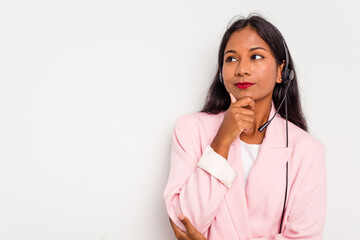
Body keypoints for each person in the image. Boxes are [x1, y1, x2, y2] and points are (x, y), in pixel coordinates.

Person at [163, 13, 327, 240]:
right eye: (231, 59)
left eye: (256, 56)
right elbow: (183, 222)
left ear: (281, 72)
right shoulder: (190, 129)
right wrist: (222, 140)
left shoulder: (307, 151)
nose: (242, 69)